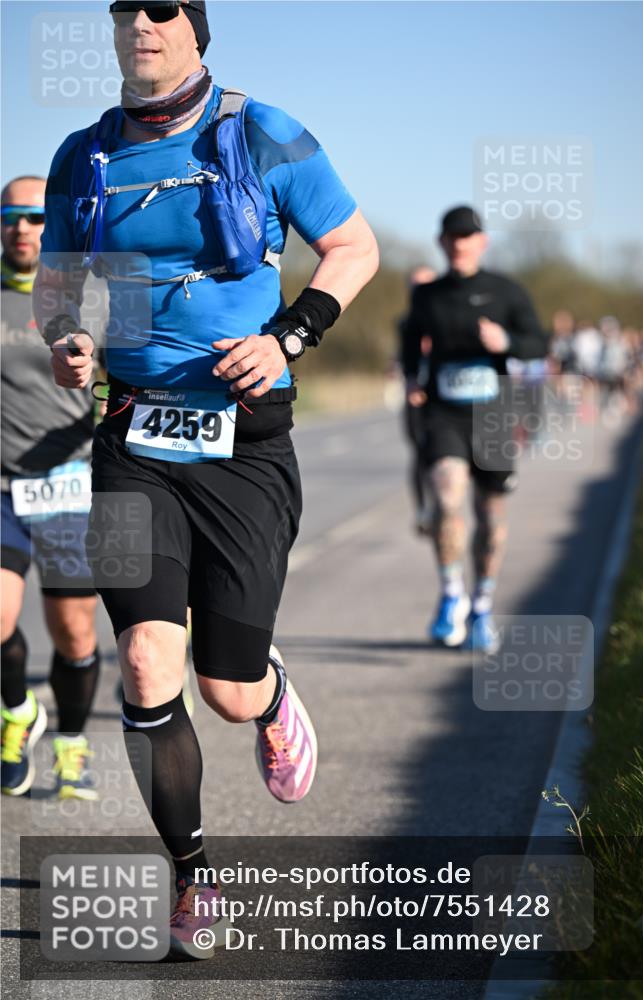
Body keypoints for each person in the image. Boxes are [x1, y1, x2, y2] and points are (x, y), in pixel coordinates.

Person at [34, 0, 378, 959]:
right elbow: (59, 296)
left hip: (244, 442)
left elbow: (354, 247)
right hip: (131, 435)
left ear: (194, 26)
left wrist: (289, 336)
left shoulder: (261, 131)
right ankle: (194, 878)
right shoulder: (82, 155)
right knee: (146, 662)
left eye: (163, 4)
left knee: (223, 689)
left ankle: (267, 697)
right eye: (124, 7)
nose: (140, 19)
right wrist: (69, 343)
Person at [400, 206, 547, 652]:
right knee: (446, 496)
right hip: (445, 412)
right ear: (442, 243)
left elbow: (540, 342)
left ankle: (482, 606)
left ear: (482, 243)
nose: (461, 244)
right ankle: (451, 596)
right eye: (453, 237)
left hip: (494, 415)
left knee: (491, 518)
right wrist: (412, 377)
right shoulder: (428, 296)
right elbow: (410, 341)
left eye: (469, 237)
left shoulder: (506, 292)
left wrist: (507, 343)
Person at [1, 176, 101, 800]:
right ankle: (17, 711)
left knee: (75, 635)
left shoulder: (90, 298)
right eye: (11, 217)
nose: (22, 228)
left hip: (70, 486)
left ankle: (70, 744)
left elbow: (127, 384)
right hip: (3, 488)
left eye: (35, 217)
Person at [398, 266, 437, 534]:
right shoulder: (405, 323)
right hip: (415, 398)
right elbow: (404, 358)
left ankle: (443, 505)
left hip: (444, 400)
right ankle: (423, 509)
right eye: (415, 285)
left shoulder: (447, 317)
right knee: (420, 455)